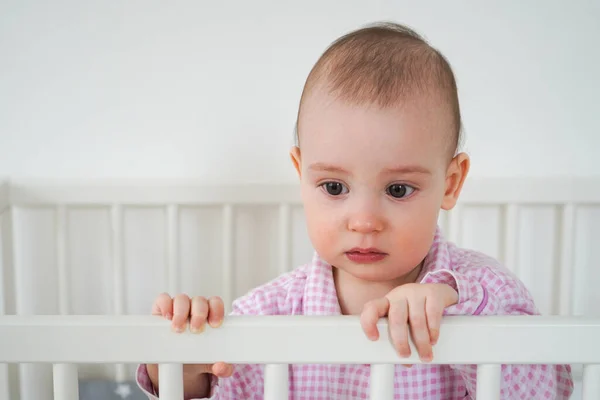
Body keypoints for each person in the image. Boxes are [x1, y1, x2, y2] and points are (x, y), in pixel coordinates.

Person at [136, 21, 574, 399]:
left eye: (399, 189)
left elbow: (548, 386)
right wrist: (181, 363)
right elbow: (223, 387)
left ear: (451, 182)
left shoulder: (482, 293)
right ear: (300, 171)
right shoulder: (269, 314)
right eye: (333, 186)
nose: (364, 220)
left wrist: (453, 310)